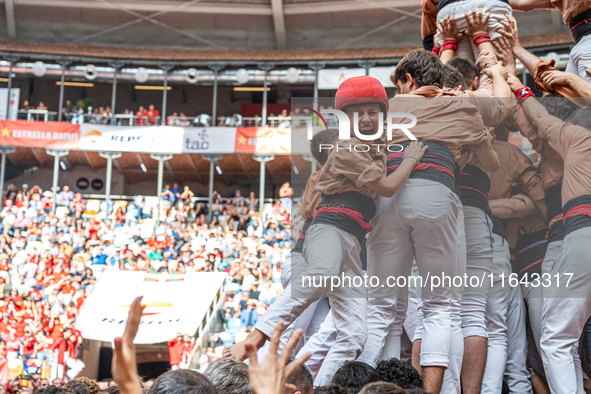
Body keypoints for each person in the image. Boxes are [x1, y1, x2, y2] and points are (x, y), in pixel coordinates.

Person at [507, 75, 591, 394]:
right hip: (571, 241)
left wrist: (517, 85)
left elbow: (539, 120)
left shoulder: (575, 139)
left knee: (555, 340)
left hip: (580, 238)